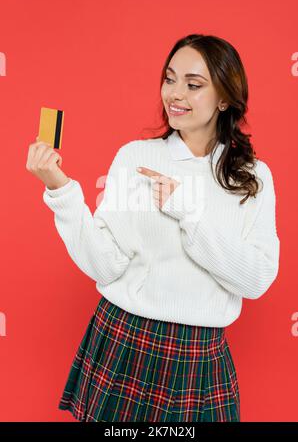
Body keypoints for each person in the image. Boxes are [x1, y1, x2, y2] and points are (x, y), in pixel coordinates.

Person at [26, 34, 280, 422]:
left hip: (199, 358)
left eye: (193, 85)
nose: (175, 94)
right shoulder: (136, 158)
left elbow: (257, 279)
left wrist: (188, 214)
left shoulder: (252, 177)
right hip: (127, 341)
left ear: (225, 98)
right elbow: (105, 264)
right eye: (169, 78)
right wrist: (60, 189)